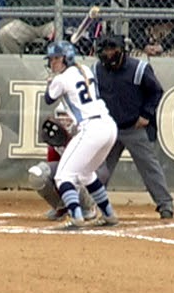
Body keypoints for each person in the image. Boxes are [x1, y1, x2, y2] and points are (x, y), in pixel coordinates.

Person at [94, 35, 174, 220]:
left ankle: (165, 204)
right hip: (109, 128)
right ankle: (91, 205)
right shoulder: (97, 70)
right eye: (105, 49)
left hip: (134, 127)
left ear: (122, 50)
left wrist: (146, 114)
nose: (108, 53)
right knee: (100, 169)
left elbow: (156, 91)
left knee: (149, 167)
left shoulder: (138, 68)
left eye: (112, 49)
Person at [43, 41, 119, 229]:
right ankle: (109, 214)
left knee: (63, 176)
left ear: (66, 58)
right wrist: (56, 78)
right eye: (51, 60)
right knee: (85, 174)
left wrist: (52, 81)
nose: (53, 63)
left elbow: (48, 99)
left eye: (57, 59)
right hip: (109, 127)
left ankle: (76, 217)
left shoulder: (62, 79)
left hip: (91, 128)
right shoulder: (85, 69)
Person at [30, 108, 105, 222]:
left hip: (93, 173)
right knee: (39, 174)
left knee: (75, 173)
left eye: (67, 116)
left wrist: (68, 141)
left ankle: (88, 207)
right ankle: (62, 207)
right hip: (70, 173)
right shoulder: (55, 135)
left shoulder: (86, 131)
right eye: (60, 116)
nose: (64, 120)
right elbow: (54, 166)